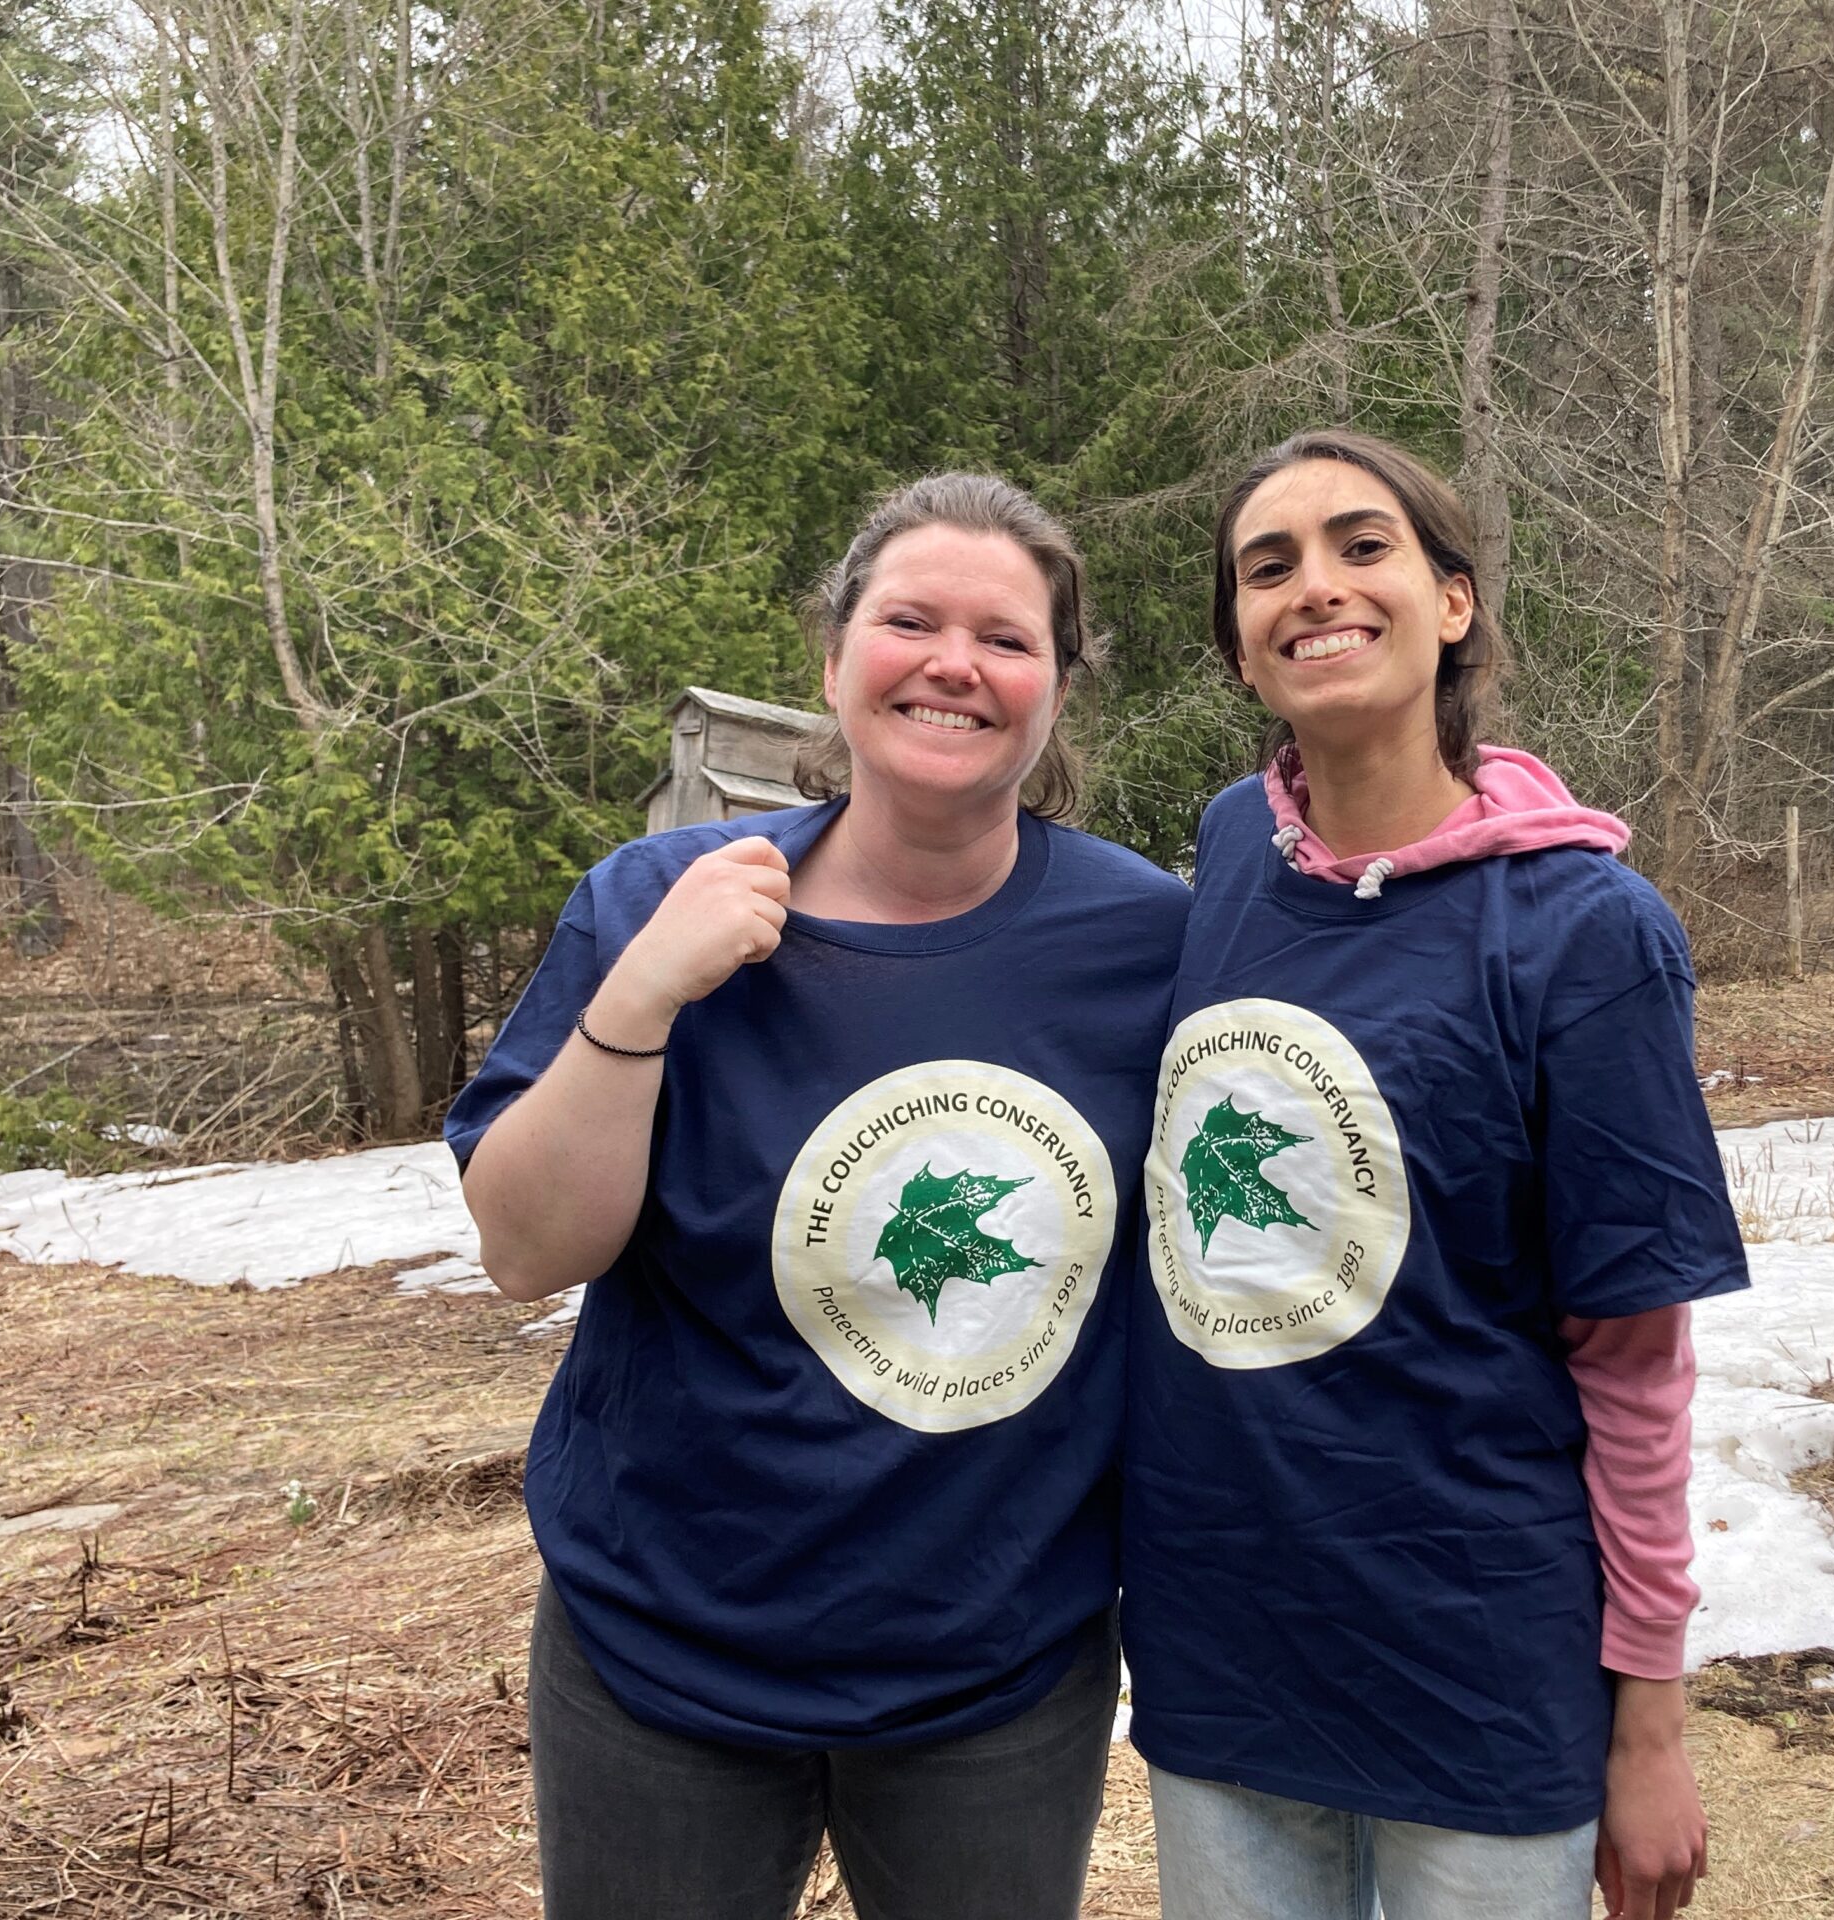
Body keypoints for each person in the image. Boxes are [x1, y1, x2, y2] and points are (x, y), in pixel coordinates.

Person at [448, 473, 1191, 1920]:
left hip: (996, 1665)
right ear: (835, 657)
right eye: (909, 620)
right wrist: (646, 995)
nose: (953, 664)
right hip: (661, 1649)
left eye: (1007, 638)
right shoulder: (652, 899)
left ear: (1057, 689)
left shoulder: (1150, 941)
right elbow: (529, 1249)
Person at [1122, 430, 1750, 1920]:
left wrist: (1648, 1727)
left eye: (1361, 546)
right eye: (1267, 569)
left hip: (1476, 1663)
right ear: (1237, 648)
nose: (1314, 588)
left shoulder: (1583, 931)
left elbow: (1637, 1364)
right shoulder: (1230, 856)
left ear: (1451, 603)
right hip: (1225, 1655)